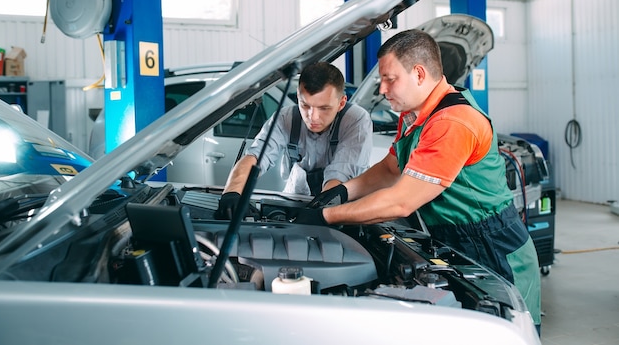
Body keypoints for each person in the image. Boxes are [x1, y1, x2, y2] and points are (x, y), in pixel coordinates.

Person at [290, 29, 542, 330]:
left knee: (503, 332)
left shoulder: (451, 122)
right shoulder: (414, 115)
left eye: (389, 78)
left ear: (419, 74)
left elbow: (401, 201)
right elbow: (390, 169)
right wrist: (342, 192)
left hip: (492, 249)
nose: (382, 89)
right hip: (455, 240)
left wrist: (326, 216)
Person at [215, 61, 373, 219]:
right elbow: (255, 156)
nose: (313, 117)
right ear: (298, 97)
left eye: (324, 108)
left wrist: (321, 212)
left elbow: (339, 175)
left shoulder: (355, 120)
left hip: (340, 208)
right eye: (305, 105)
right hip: (296, 200)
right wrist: (232, 192)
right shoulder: (286, 118)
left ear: (341, 103)